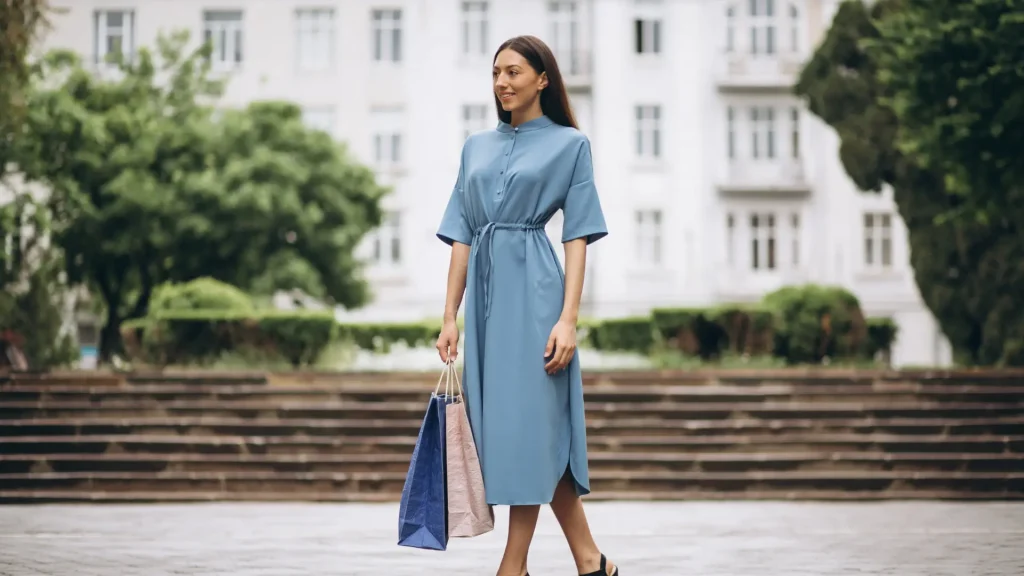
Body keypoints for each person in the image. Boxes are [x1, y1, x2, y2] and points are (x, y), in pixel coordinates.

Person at [435, 35, 618, 576]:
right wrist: (449, 315)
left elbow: (578, 236)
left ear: (542, 79)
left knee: (533, 428)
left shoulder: (570, 145)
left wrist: (568, 318)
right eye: (496, 73)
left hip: (538, 296)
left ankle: (512, 567)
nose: (502, 82)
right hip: (487, 306)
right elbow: (462, 234)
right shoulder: (475, 146)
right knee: (520, 433)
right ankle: (591, 562)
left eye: (514, 71)